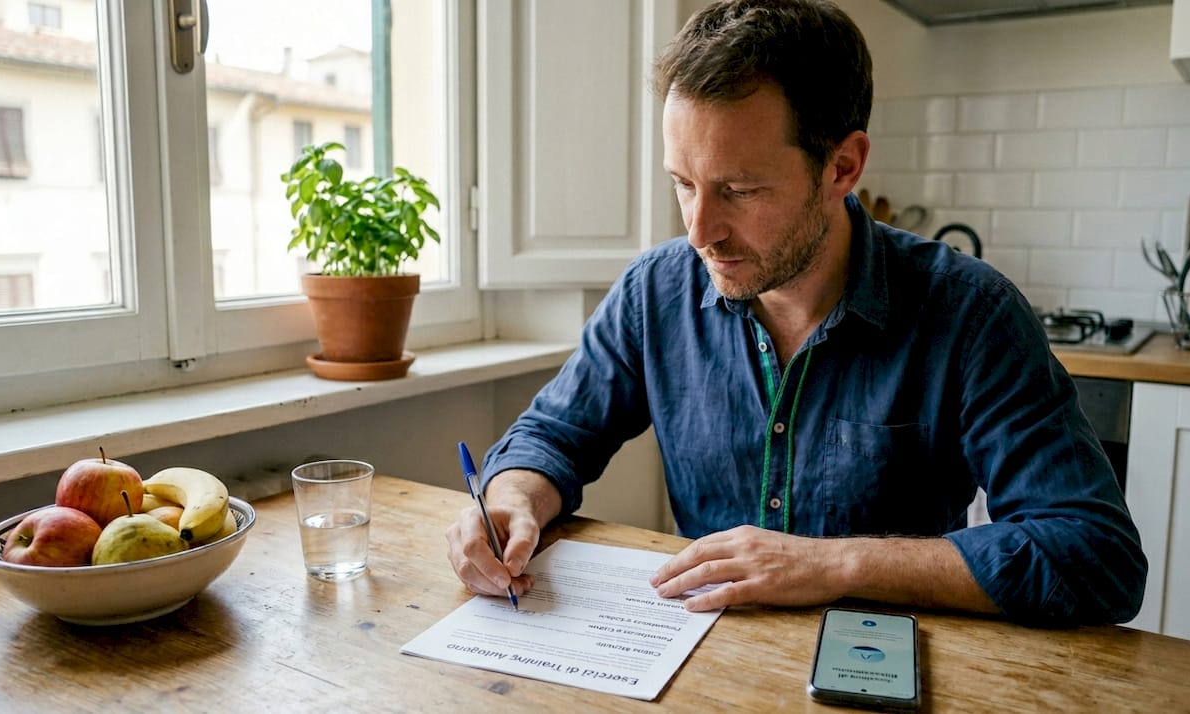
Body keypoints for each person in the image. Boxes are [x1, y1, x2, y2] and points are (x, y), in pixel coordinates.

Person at [445, 0, 1146, 626]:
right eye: (683, 184)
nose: (699, 231)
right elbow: (553, 435)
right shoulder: (652, 293)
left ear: (842, 168)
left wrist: (829, 565)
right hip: (700, 661)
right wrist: (513, 497)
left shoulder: (970, 312)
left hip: (883, 667)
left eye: (739, 190)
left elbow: (1095, 553)